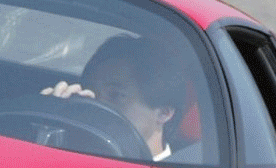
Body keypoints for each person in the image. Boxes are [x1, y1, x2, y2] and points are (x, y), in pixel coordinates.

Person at [42, 35, 189, 161]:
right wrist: (49, 118)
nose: (97, 105)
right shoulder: (70, 151)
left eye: (116, 95)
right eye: (91, 92)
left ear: (164, 113)